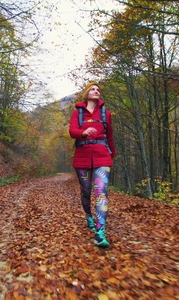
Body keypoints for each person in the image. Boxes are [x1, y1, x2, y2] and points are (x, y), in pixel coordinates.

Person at [69, 82, 116, 247]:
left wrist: (112, 154)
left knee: (101, 191)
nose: (96, 91)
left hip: (102, 156)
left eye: (98, 90)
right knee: (86, 191)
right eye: (93, 89)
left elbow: (109, 136)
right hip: (82, 157)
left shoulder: (106, 114)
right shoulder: (77, 113)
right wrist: (83, 132)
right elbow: (72, 131)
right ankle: (88, 215)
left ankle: (100, 232)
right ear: (87, 93)